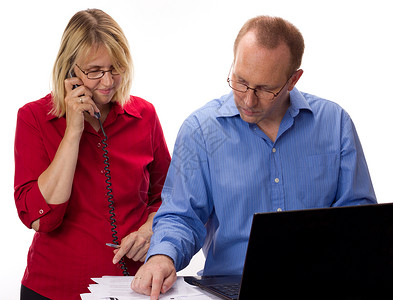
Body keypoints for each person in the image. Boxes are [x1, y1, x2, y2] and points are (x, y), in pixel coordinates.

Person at [131, 15, 377, 299]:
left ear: (293, 80)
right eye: (240, 81)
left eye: (264, 89)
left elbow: (359, 218)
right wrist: (163, 256)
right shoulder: (200, 130)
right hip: (232, 292)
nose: (248, 100)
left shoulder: (335, 124)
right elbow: (182, 215)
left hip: (320, 288)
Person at [14, 9, 171, 300]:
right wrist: (73, 130)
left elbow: (168, 196)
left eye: (116, 68)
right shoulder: (33, 118)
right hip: (53, 290)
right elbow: (40, 219)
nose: (109, 81)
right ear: (70, 69)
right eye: (95, 71)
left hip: (133, 287)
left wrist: (150, 228)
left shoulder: (144, 115)